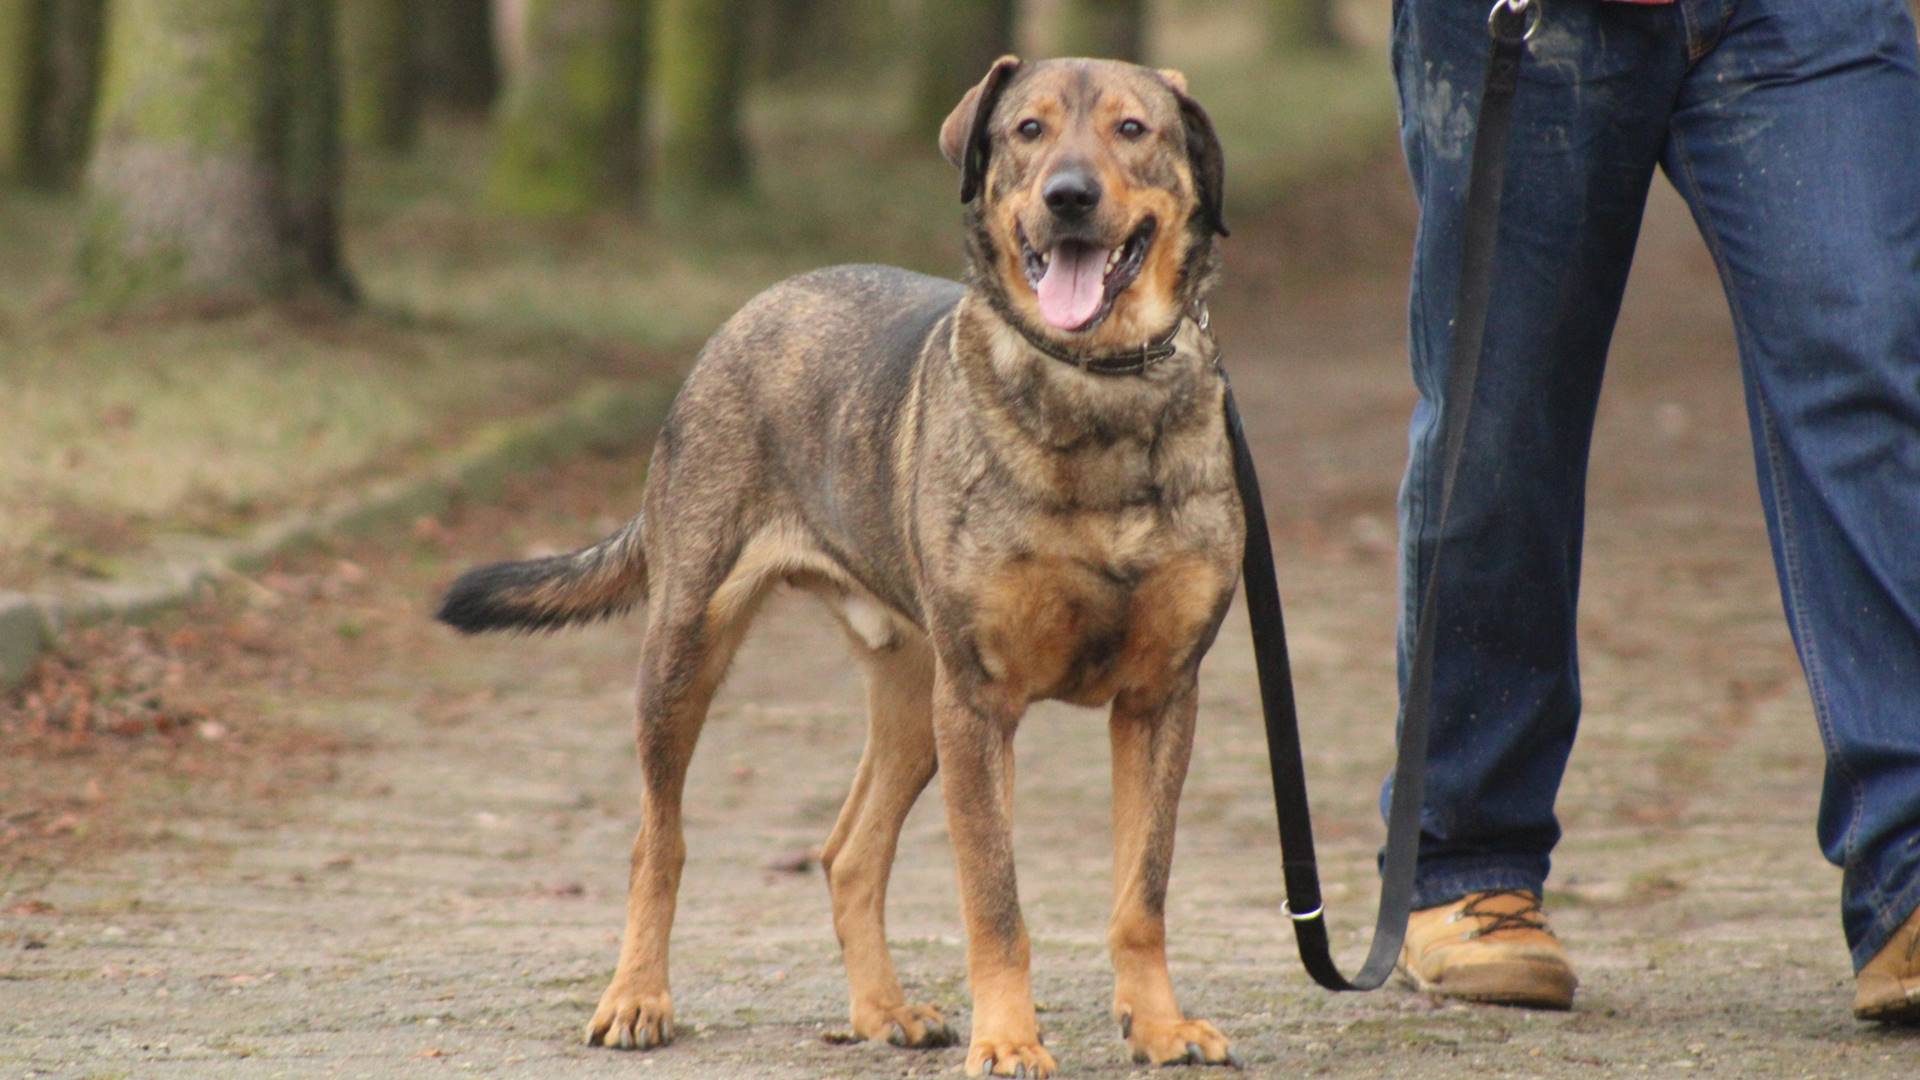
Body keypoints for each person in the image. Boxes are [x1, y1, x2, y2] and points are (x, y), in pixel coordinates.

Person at [1386, 0, 1920, 1018]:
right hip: (1527, 18)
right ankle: (1468, 858)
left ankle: (1914, 865)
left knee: (1871, 355)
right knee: (1503, 413)